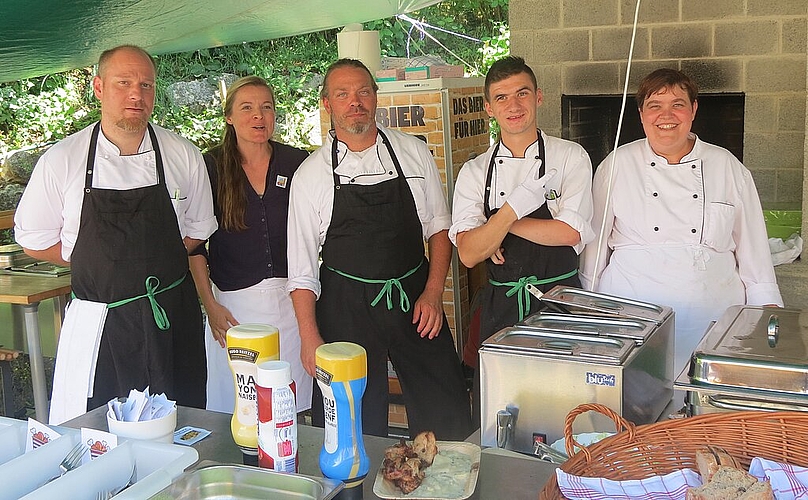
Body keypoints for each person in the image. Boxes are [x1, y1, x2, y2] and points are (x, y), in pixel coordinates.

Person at [14, 45, 217, 424]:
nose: (136, 94)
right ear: (98, 87)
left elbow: (196, 232)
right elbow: (34, 237)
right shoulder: (63, 159)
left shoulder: (182, 154)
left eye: (146, 84)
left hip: (171, 319)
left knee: (182, 424)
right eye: (123, 83)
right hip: (99, 324)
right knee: (99, 433)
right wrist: (97, 263)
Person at [286, 58, 472, 440]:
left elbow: (439, 228)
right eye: (343, 95)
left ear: (375, 97)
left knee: (446, 407)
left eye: (363, 92)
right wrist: (309, 337)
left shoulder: (413, 152)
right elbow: (302, 269)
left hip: (414, 298)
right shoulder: (311, 175)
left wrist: (434, 292)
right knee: (351, 422)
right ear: (327, 104)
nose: (355, 102)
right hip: (345, 307)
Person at [580, 68, 783, 373]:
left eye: (677, 104)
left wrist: (767, 309)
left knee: (704, 402)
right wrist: (588, 308)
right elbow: (594, 248)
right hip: (633, 311)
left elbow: (753, 249)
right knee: (637, 398)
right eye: (655, 105)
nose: (667, 115)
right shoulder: (617, 164)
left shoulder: (727, 166)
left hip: (711, 315)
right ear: (641, 115)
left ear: (693, 110)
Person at [450, 55, 594, 425]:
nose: (513, 106)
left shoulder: (570, 156)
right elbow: (468, 253)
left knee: (565, 411)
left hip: (561, 305)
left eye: (522, 94)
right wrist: (510, 216)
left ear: (538, 97)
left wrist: (501, 223)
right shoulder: (474, 172)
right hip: (501, 310)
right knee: (503, 411)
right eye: (501, 97)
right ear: (488, 108)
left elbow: (569, 233)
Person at [189, 76, 312, 415]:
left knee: (289, 408)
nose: (259, 116)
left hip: (291, 305)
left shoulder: (297, 162)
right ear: (229, 117)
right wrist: (210, 305)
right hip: (233, 309)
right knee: (240, 410)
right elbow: (195, 246)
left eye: (266, 107)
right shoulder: (210, 166)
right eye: (247, 108)